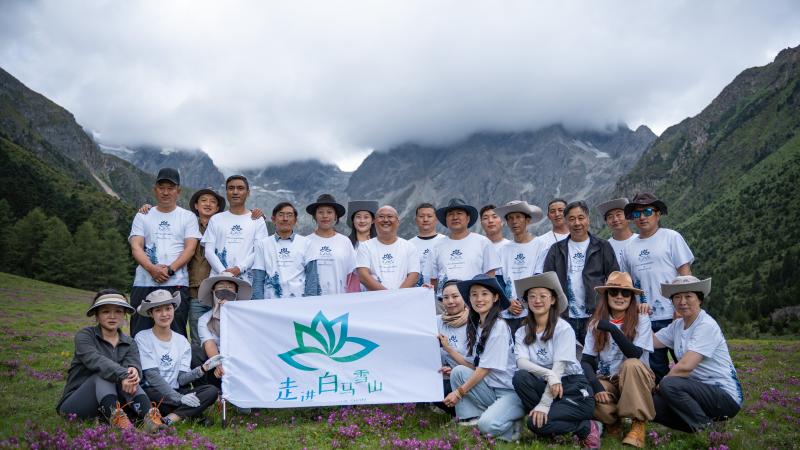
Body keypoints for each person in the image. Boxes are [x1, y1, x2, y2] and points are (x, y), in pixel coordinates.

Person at [511, 272, 602, 448]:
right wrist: (549, 375)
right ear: (526, 301)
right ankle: (551, 423)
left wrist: (544, 404)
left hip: (574, 389)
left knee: (533, 424)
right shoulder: (522, 331)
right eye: (532, 296)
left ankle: (588, 427)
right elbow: (521, 362)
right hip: (549, 383)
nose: (537, 300)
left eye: (543, 296)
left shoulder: (563, 328)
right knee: (520, 377)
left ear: (553, 300)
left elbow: (559, 369)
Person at [57, 290, 166, 433]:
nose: (112, 316)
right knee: (104, 375)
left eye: (118, 311)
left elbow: (133, 363)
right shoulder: (85, 336)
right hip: (76, 404)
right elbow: (95, 360)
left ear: (124, 315)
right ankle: (119, 423)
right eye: (106, 311)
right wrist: (124, 374)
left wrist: (134, 371)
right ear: (97, 315)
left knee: (131, 377)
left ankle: (151, 420)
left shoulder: (129, 342)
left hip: (113, 403)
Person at [652, 276, 743, 433]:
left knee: (668, 385)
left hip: (724, 395)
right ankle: (707, 426)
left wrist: (662, 385)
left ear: (699, 299)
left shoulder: (706, 325)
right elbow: (650, 342)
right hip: (698, 391)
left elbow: (686, 367)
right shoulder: (677, 325)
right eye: (677, 297)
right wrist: (638, 318)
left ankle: (706, 431)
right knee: (652, 405)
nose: (682, 302)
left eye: (688, 296)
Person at [620, 192, 694, 382]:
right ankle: (659, 400)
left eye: (647, 211)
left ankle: (691, 398)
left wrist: (683, 309)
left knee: (685, 363)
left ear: (658, 214)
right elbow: (627, 284)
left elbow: (685, 273)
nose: (642, 217)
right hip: (645, 317)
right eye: (637, 213)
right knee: (654, 368)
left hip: (674, 314)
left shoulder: (671, 237)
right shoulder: (628, 248)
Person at [442, 274, 524, 442]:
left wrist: (458, 392)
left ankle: (513, 428)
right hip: (489, 388)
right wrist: (449, 350)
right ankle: (469, 421)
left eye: (484, 294)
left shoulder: (498, 326)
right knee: (458, 372)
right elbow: (474, 366)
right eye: (474, 294)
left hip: (508, 392)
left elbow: (484, 369)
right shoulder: (478, 325)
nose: (479, 299)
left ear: (495, 297)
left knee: (487, 426)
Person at [581, 271, 655, 448]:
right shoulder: (595, 323)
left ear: (631, 297)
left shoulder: (641, 318)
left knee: (631, 364)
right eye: (614, 292)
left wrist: (613, 329)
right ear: (606, 296)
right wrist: (597, 386)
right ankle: (613, 423)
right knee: (587, 390)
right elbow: (586, 360)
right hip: (609, 379)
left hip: (637, 378)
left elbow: (634, 354)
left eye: (626, 293)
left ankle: (638, 424)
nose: (619, 296)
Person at [128, 168, 200, 337]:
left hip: (177, 283)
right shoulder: (142, 216)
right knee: (139, 333)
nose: (166, 192)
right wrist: (151, 269)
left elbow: (190, 248)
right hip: (144, 282)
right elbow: (136, 246)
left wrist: (170, 270)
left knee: (176, 333)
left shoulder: (188, 217)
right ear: (155, 189)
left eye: (170, 188)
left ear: (178, 190)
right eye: (161, 188)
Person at [135, 290, 221, 425]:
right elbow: (151, 375)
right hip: (154, 392)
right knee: (150, 395)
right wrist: (178, 398)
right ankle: (190, 414)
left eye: (168, 308)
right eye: (158, 310)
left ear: (174, 309)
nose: (164, 314)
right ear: (151, 314)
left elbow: (181, 379)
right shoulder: (142, 337)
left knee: (211, 391)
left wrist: (203, 368)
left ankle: (170, 418)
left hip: (177, 391)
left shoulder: (182, 341)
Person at [543, 201, 619, 344]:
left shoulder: (602, 246)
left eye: (581, 218)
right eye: (571, 219)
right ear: (566, 222)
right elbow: (547, 283)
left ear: (588, 219)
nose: (577, 223)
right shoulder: (556, 250)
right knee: (567, 355)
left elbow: (614, 279)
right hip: (564, 317)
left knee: (595, 354)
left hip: (595, 315)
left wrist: (610, 311)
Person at [427, 199, 501, 299]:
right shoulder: (436, 246)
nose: (455, 217)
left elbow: (490, 276)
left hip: (474, 302)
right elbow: (433, 280)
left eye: (459, 213)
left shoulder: (483, 242)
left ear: (468, 218)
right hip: (446, 302)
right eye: (450, 214)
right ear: (446, 220)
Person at [201, 175, 269, 284]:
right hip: (219, 281)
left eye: (240, 188)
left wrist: (239, 269)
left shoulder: (257, 220)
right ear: (226, 192)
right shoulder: (216, 219)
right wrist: (223, 272)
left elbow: (259, 251)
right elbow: (208, 251)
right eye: (231, 188)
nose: (235, 192)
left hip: (247, 283)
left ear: (248, 193)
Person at [493, 200, 546, 335]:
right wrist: (507, 302)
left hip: (532, 310)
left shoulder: (541, 246)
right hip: (507, 311)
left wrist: (523, 301)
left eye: (518, 217)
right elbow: (498, 280)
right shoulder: (502, 250)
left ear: (527, 220)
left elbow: (538, 277)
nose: (514, 222)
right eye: (510, 218)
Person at [251, 202, 319, 299]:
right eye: (281, 215)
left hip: (299, 302)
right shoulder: (263, 244)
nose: (285, 219)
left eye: (289, 215)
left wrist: (310, 302)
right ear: (273, 219)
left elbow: (312, 277)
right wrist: (258, 303)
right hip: (270, 302)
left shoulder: (306, 243)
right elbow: (258, 278)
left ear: (295, 220)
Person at [196, 272, 252, 388]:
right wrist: (218, 365)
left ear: (236, 293)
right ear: (213, 291)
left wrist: (231, 311)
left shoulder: (245, 316)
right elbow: (209, 343)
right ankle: (210, 390)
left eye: (230, 287)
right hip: (217, 361)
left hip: (240, 360)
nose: (226, 290)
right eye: (221, 286)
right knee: (196, 352)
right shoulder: (204, 319)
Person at [356, 206, 420, 290]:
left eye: (390, 216)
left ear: (398, 222)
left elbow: (414, 276)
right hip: (375, 297)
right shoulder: (365, 246)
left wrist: (397, 295)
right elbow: (363, 276)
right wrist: (388, 295)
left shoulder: (409, 247)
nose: (385, 220)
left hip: (403, 297)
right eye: (381, 216)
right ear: (374, 222)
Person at [305, 194, 358, 295]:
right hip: (312, 300)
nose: (325, 216)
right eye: (320, 212)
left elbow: (353, 274)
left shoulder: (344, 241)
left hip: (340, 299)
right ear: (314, 216)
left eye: (329, 212)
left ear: (335, 216)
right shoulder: (306, 242)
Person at [435, 279, 473, 416]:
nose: (450, 301)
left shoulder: (475, 322)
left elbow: (478, 367)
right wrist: (422, 293)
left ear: (465, 297)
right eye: (446, 297)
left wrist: (455, 370)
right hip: (446, 377)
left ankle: (472, 413)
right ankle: (457, 414)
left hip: (471, 378)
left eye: (455, 296)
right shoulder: (436, 321)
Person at [408, 203, 447, 288]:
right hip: (417, 291)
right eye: (421, 216)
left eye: (429, 216)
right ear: (416, 220)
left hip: (442, 291)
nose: (425, 219)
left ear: (436, 219)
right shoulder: (408, 245)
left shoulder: (446, 242)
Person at [531, 198, 570, 273]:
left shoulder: (577, 238)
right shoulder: (540, 241)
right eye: (552, 211)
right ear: (548, 216)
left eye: (560, 210)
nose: (557, 214)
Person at [597, 197, 638, 266]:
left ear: (628, 217)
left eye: (618, 215)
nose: (615, 219)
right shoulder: (604, 248)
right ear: (606, 222)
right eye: (610, 217)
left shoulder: (642, 240)